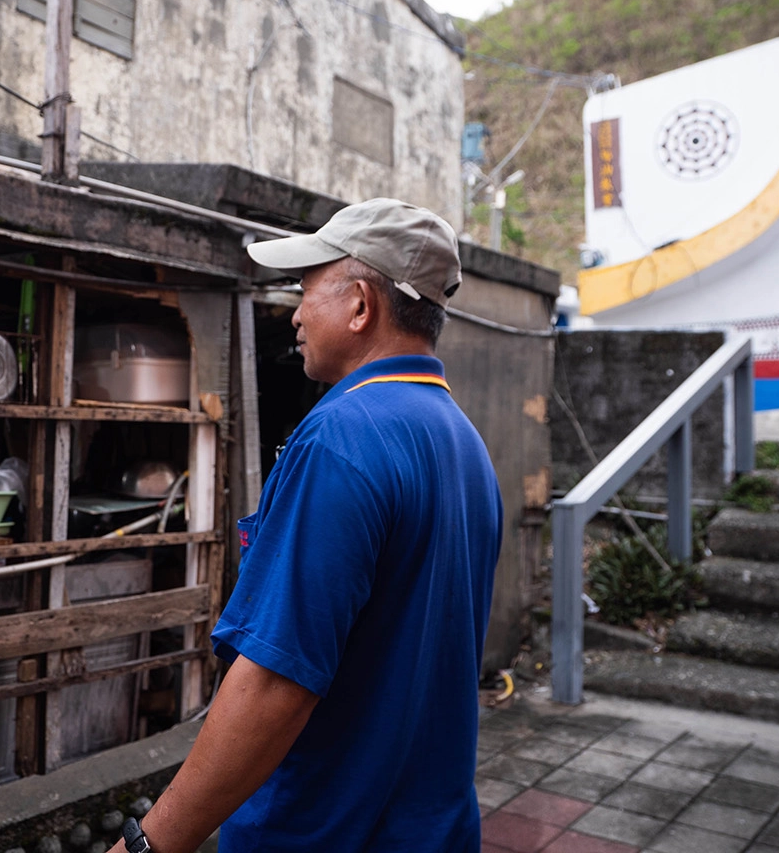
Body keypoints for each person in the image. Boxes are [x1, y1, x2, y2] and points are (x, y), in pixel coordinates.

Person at [112, 198, 503, 853]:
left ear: (359, 306)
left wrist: (152, 843)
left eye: (306, 290)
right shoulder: (464, 441)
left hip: (324, 834)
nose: (293, 313)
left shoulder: (342, 436)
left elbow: (275, 681)